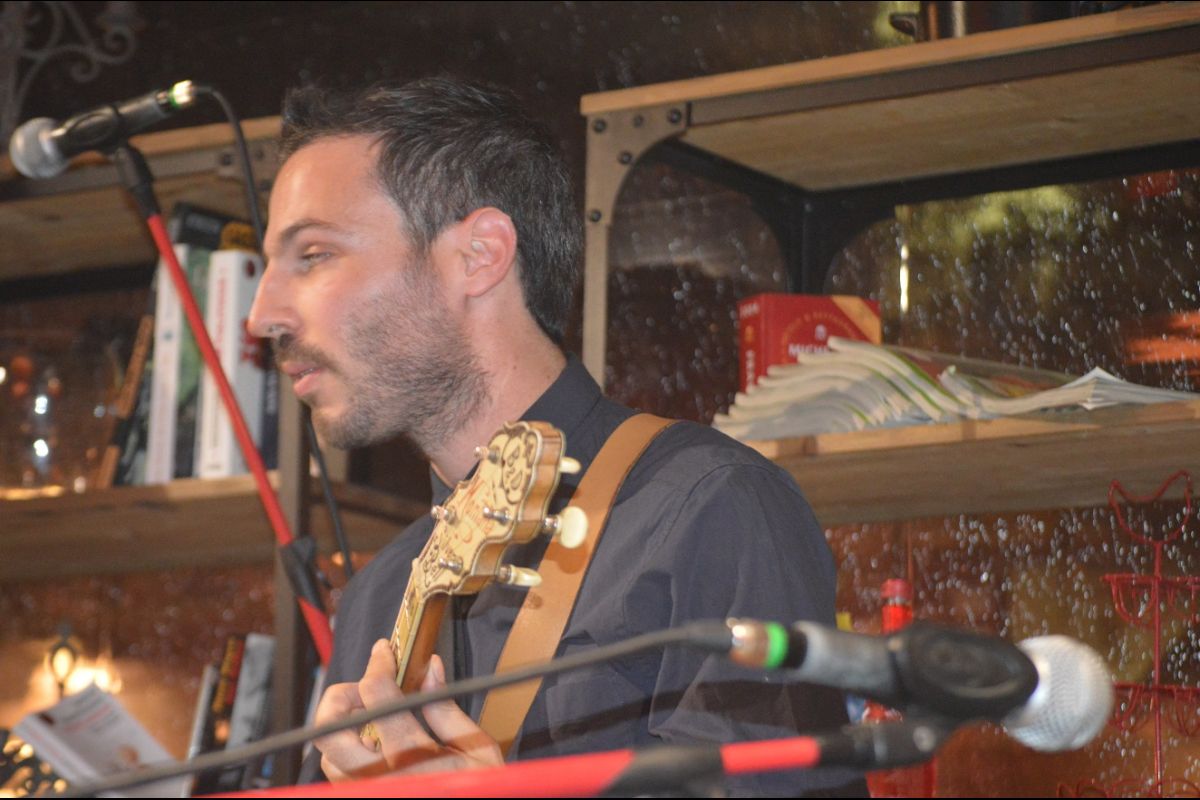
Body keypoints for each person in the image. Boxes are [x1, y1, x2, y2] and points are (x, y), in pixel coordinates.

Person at [247, 76, 865, 796]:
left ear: (479, 255)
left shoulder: (711, 507)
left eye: (313, 255)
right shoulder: (377, 597)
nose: (262, 315)